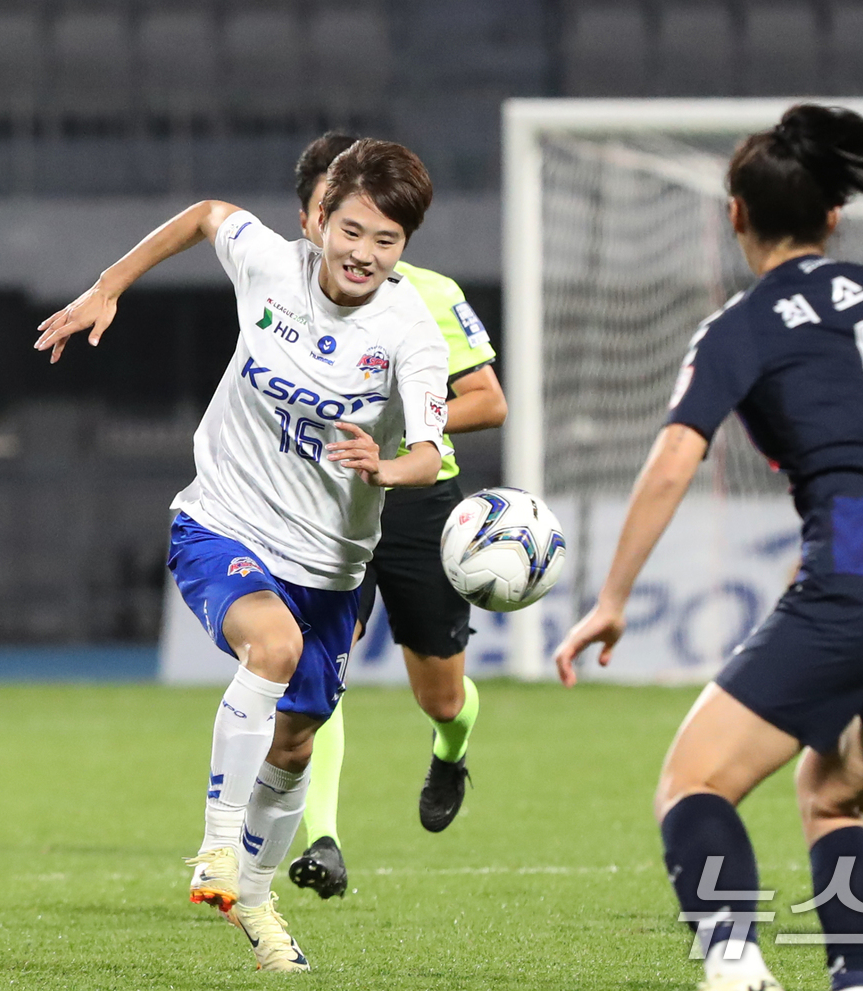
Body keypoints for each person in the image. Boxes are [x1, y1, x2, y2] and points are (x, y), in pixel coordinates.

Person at [552, 105, 863, 991]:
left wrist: (613, 597)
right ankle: (855, 982)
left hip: (861, 580)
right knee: (832, 795)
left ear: (736, 215)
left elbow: (676, 456)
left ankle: (736, 963)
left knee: (694, 784)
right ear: (833, 216)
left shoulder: (744, 324)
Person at [33, 139, 449, 972]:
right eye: (353, 230)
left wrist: (385, 464)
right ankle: (216, 848)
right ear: (318, 220)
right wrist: (108, 286)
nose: (365, 253)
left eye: (388, 240)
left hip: (330, 562)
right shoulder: (269, 265)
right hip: (223, 520)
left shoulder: (410, 330)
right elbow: (202, 217)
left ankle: (255, 900)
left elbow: (431, 452)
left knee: (296, 742)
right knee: (273, 646)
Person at [283, 133, 508, 900]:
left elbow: (489, 399)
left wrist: (413, 429)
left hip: (415, 501)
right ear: (314, 217)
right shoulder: (281, 297)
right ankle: (323, 839)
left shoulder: (428, 296)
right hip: (326, 502)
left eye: (378, 224)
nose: (357, 236)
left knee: (439, 695)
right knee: (319, 671)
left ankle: (452, 750)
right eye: (336, 215)